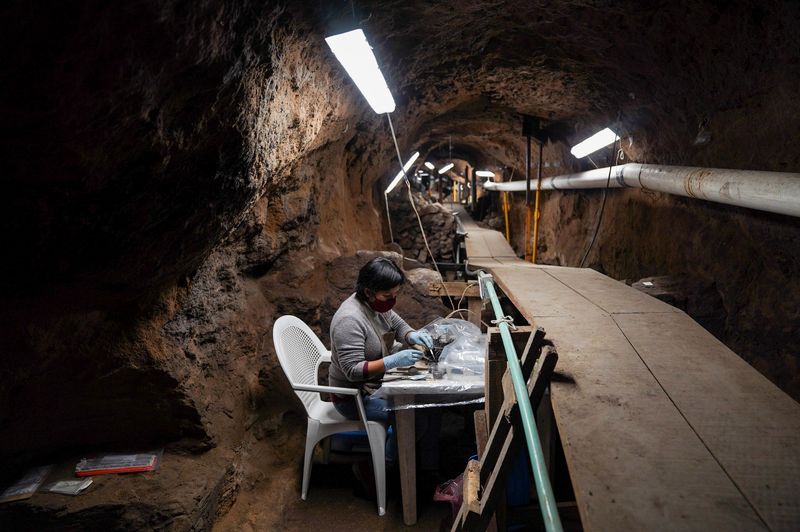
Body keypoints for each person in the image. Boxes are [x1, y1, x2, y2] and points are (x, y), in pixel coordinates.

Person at [328, 257, 441, 479]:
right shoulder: (349, 320)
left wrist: (412, 335)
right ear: (369, 292)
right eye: (388, 296)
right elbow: (353, 370)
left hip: (374, 386)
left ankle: (428, 468)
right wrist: (393, 361)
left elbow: (397, 324)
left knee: (431, 405)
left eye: (395, 295)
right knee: (414, 418)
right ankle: (379, 471)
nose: (392, 301)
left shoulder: (375, 305)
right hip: (353, 397)